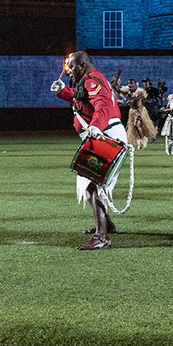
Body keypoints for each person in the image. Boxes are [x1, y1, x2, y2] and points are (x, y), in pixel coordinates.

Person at [52, 51, 128, 250]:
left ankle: (101, 237)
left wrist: (96, 126)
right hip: (104, 133)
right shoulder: (88, 80)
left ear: (83, 66)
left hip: (106, 134)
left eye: (72, 67)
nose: (69, 71)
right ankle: (106, 225)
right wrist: (63, 92)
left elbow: (102, 103)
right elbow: (83, 101)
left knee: (94, 183)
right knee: (89, 182)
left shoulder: (93, 79)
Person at [120, 78, 157, 149]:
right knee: (135, 126)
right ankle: (141, 139)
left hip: (140, 111)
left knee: (136, 124)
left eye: (132, 83)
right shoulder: (128, 92)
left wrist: (132, 100)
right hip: (133, 112)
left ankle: (142, 141)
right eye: (129, 83)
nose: (130, 85)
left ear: (135, 84)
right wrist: (114, 86)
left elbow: (138, 97)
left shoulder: (140, 91)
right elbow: (119, 91)